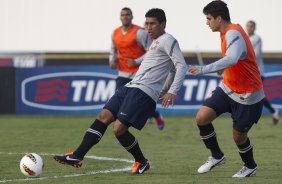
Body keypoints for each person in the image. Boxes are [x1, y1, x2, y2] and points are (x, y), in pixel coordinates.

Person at [54, 8, 187, 174]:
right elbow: (172, 70)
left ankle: (142, 161)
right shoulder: (154, 42)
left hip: (143, 92)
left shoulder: (168, 40)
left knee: (118, 129)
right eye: (147, 23)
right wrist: (163, 90)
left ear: (163, 24)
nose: (148, 27)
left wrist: (172, 90)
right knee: (103, 117)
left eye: (153, 24)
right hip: (131, 86)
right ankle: (77, 155)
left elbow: (181, 65)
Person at [188, 0, 264, 178]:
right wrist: (223, 68)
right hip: (228, 87)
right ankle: (216, 156)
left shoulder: (233, 33)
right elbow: (234, 58)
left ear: (219, 18)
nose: (207, 22)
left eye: (209, 19)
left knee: (238, 137)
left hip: (248, 95)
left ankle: (250, 166)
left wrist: (202, 70)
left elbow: (231, 59)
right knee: (202, 117)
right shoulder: (226, 32)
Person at [109, 7, 165, 130]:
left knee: (138, 104)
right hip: (123, 73)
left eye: (127, 14)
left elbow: (151, 51)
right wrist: (112, 60)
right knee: (120, 102)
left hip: (139, 74)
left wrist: (136, 61)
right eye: (122, 15)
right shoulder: (115, 33)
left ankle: (156, 115)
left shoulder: (139, 32)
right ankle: (120, 131)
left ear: (132, 16)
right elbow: (113, 49)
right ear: (120, 17)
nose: (125, 17)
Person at [246, 20, 280, 125]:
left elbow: (253, 55)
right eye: (247, 26)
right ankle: (274, 112)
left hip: (257, 72)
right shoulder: (245, 38)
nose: (249, 28)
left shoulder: (256, 39)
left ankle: (272, 112)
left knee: (256, 95)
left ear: (254, 28)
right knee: (254, 95)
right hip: (248, 72)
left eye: (251, 26)